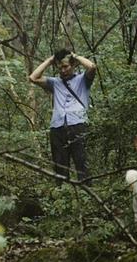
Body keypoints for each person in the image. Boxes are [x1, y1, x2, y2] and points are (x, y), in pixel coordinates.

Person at [29, 49, 96, 183]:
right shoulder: (55, 83)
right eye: (60, 68)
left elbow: (92, 67)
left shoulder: (83, 80)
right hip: (57, 127)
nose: (63, 70)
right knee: (60, 165)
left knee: (81, 162)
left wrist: (75, 56)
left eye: (66, 66)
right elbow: (33, 77)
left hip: (78, 125)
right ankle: (62, 193)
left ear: (73, 65)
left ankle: (86, 192)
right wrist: (50, 60)